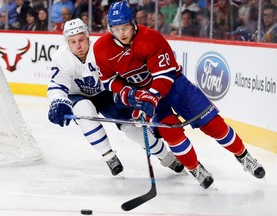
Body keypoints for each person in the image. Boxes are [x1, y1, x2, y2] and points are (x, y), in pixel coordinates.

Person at [93, 1, 266, 189]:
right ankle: (195, 168)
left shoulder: (151, 38)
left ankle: (244, 156)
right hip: (145, 94)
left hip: (175, 87)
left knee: (213, 124)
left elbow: (164, 76)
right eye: (116, 29)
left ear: (133, 23)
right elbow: (109, 80)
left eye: (125, 27)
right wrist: (128, 93)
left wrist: (152, 96)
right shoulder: (101, 48)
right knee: (171, 132)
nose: (122, 33)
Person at [47, 18, 185, 177]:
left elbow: (122, 74)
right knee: (84, 110)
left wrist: (128, 94)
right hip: (77, 95)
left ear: (88, 37)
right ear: (66, 42)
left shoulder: (100, 50)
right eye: (72, 42)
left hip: (106, 94)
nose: (78, 46)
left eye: (81, 40)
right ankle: (109, 156)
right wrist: (58, 102)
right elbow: (57, 86)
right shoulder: (61, 58)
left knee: (131, 127)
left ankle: (166, 156)